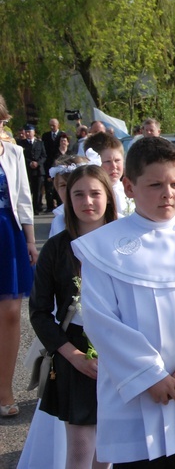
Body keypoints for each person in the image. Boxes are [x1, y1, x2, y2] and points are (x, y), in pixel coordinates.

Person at [71, 136, 175, 466]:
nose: (169, 193)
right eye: (156, 184)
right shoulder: (104, 247)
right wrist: (149, 376)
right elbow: (101, 321)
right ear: (130, 187)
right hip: (135, 392)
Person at [30, 164, 117, 469]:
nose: (87, 201)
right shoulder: (56, 248)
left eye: (95, 193)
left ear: (109, 196)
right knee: (80, 449)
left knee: (107, 450)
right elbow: (39, 312)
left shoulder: (126, 243)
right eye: (78, 194)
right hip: (75, 352)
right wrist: (74, 355)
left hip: (119, 349)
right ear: (68, 200)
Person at [0, 94, 39, 418]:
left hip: (8, 234)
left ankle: (4, 389)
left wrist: (30, 241)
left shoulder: (13, 152)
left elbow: (24, 199)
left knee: (12, 312)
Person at [84, 132, 130, 215]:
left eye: (117, 160)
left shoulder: (128, 190)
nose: (114, 166)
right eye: (107, 161)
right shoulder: (90, 195)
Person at [20, 124, 47, 215]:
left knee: (38, 191)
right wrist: (30, 163)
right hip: (27, 170)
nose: (28, 133)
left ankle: (36, 208)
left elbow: (44, 156)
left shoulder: (39, 143)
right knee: (27, 190)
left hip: (38, 170)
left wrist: (37, 163)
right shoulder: (21, 143)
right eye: (26, 132)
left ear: (34, 132)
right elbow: (21, 156)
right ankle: (27, 208)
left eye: (29, 132)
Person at [42, 118, 66, 212]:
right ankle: (49, 206)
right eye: (50, 125)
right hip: (48, 162)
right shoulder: (46, 136)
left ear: (58, 126)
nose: (52, 127)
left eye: (54, 125)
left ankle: (61, 204)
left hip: (59, 162)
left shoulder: (62, 135)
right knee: (48, 186)